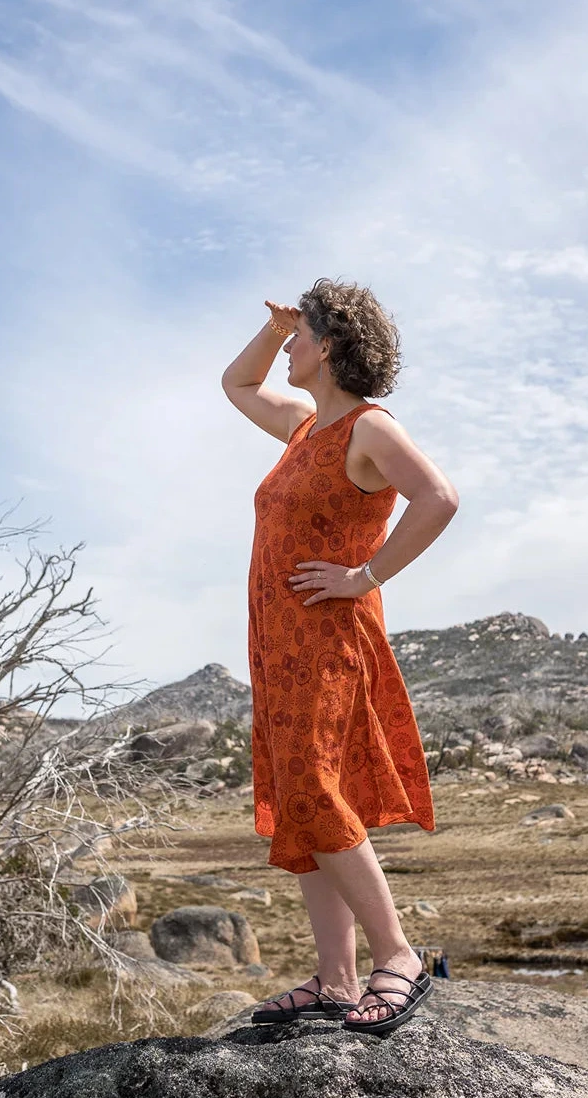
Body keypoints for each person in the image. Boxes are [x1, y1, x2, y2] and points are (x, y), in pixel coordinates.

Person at [221, 278, 459, 1034]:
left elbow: (439, 499)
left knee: (320, 791)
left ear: (328, 347)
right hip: (280, 645)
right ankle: (335, 978)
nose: (288, 346)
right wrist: (273, 327)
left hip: (328, 640)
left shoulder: (368, 430)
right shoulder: (303, 427)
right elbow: (237, 382)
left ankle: (398, 955)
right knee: (300, 800)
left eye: (299, 336)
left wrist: (364, 575)